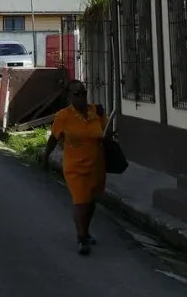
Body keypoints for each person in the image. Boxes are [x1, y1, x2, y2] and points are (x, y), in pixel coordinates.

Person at [41, 79, 109, 256]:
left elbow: (106, 132)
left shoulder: (97, 111)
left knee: (91, 200)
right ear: (69, 97)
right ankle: (82, 238)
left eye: (83, 93)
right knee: (80, 200)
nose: (81, 98)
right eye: (76, 94)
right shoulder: (63, 116)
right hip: (75, 167)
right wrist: (45, 157)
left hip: (96, 164)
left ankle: (86, 231)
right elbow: (54, 138)